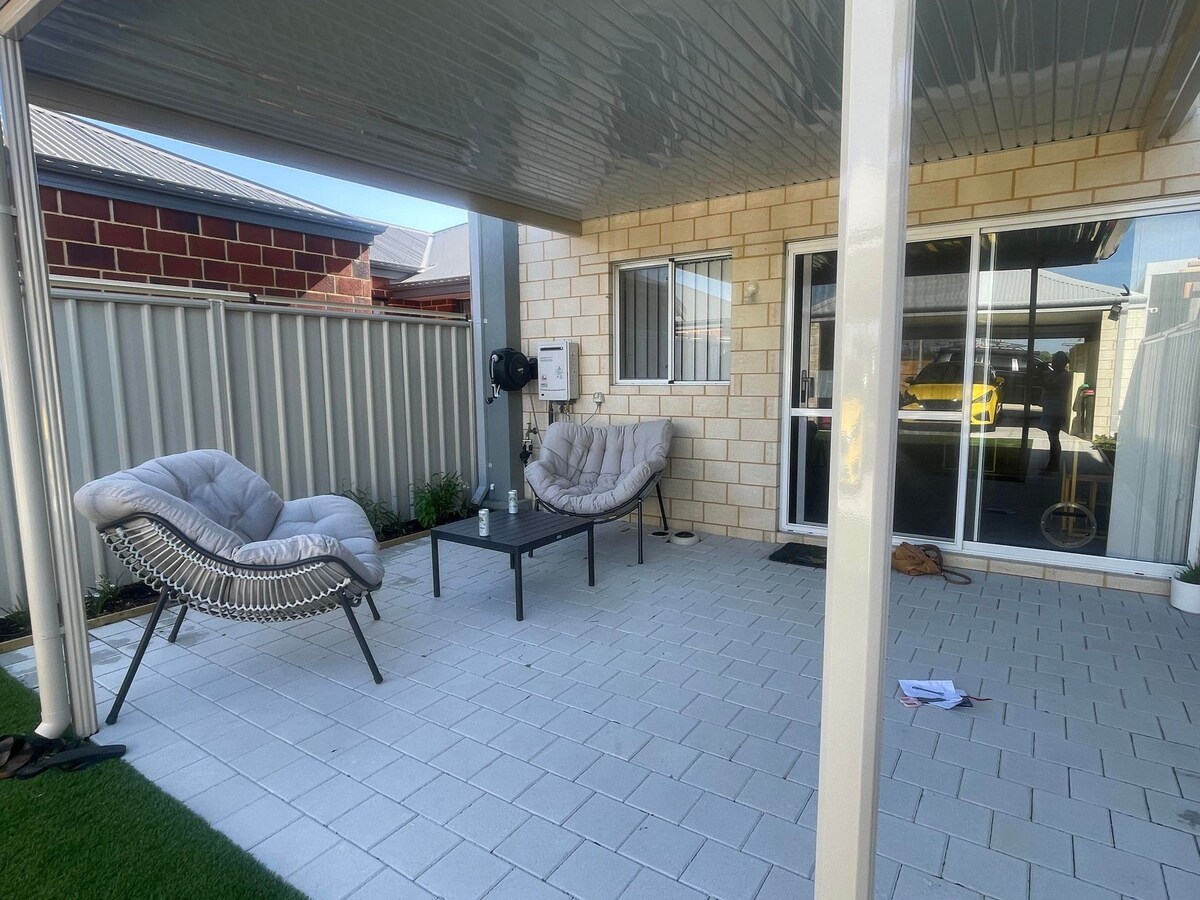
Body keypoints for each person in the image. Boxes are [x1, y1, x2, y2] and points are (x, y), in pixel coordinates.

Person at [1040, 351, 1071, 473]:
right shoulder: (1055, 373)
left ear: (1063, 363)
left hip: (1056, 411)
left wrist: (1041, 376)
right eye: (1053, 361)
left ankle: (1053, 466)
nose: (1053, 363)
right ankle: (1051, 465)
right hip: (1050, 409)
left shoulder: (1064, 376)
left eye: (1056, 361)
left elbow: (1050, 386)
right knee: (1051, 438)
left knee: (1054, 438)